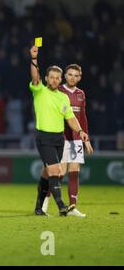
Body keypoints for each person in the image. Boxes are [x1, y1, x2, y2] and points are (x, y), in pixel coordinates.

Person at [29, 45, 90, 216]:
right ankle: (62, 206)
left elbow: (71, 118)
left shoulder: (63, 97)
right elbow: (34, 76)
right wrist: (34, 59)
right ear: (46, 79)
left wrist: (81, 131)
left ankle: (39, 207)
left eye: (57, 78)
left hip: (58, 139)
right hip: (44, 137)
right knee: (56, 171)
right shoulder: (39, 91)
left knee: (47, 173)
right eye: (52, 77)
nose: (55, 80)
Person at [42, 64, 94, 217]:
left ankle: (72, 206)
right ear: (65, 75)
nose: (72, 77)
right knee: (59, 173)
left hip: (76, 138)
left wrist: (86, 138)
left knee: (74, 171)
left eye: (76, 75)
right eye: (70, 74)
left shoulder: (81, 94)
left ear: (80, 77)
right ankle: (44, 202)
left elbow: (82, 118)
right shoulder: (59, 91)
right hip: (61, 137)